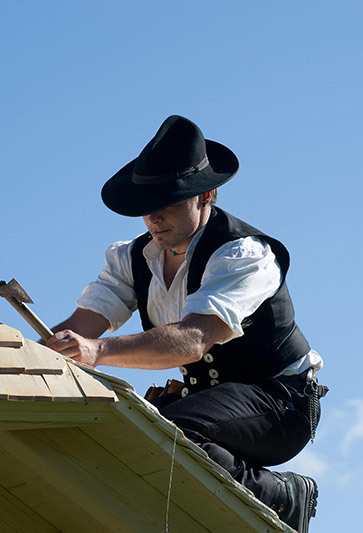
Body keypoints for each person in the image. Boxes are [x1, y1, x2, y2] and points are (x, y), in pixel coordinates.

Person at [46, 115, 326, 533]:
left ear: (206, 195)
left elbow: (194, 340)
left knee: (171, 431)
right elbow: (83, 325)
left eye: (169, 205)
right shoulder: (131, 258)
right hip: (211, 399)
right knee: (129, 433)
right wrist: (39, 354)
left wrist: (98, 353)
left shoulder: (244, 254)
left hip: (281, 404)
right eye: (148, 209)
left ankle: (283, 495)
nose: (155, 219)